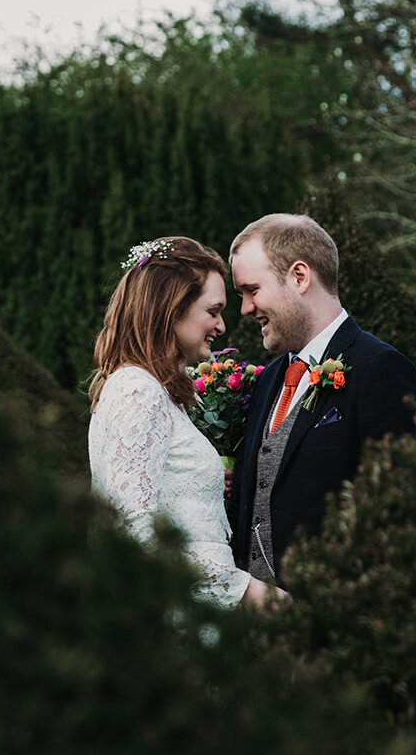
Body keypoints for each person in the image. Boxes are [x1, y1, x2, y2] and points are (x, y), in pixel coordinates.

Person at [226, 213, 416, 587]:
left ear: (300, 277)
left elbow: (400, 511)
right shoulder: (268, 381)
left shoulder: (380, 369)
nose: (246, 309)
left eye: (252, 290)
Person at [88, 236, 286, 608]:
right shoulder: (138, 392)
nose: (222, 326)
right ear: (171, 309)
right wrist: (248, 592)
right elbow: (131, 535)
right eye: (213, 311)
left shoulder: (153, 392)